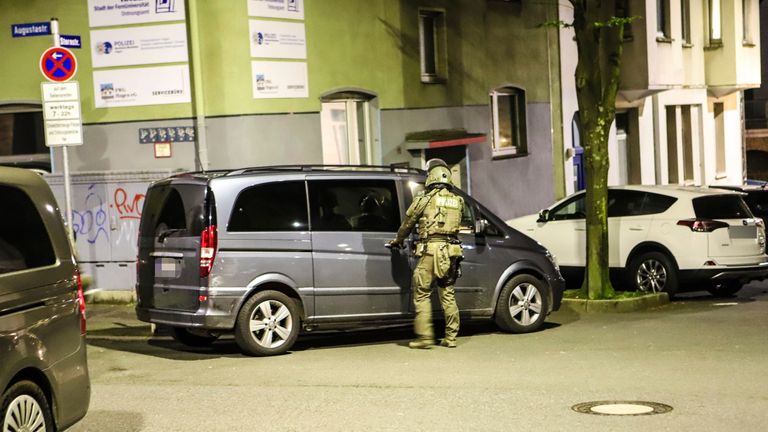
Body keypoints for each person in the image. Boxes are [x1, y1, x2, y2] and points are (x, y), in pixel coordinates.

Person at [386, 159, 464, 349]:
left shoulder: (425, 199)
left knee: (422, 294)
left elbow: (408, 223)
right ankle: (451, 338)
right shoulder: (458, 201)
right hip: (451, 252)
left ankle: (425, 338)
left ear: (431, 177)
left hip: (430, 251)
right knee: (448, 296)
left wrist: (398, 240)